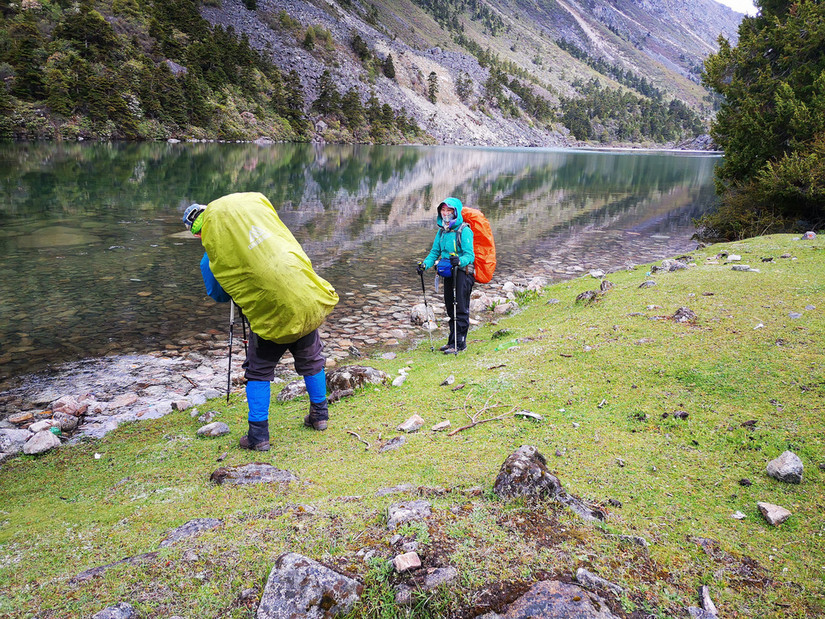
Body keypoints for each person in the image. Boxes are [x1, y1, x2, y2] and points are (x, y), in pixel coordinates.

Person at [183, 192, 339, 451]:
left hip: (269, 314)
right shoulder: (265, 232)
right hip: (302, 297)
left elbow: (218, 294)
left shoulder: (211, 257)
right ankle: (320, 416)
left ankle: (258, 436)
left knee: (259, 370)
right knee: (311, 359)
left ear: (199, 234)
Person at [417, 197, 475, 354]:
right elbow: (435, 252)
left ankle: (460, 343)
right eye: (443, 210)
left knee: (460, 308)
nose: (446, 213)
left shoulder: (465, 230)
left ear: (455, 212)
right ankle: (452, 341)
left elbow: (470, 256)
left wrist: (459, 260)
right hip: (449, 273)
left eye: (449, 211)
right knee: (450, 306)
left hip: (463, 273)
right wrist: (424, 265)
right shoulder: (442, 231)